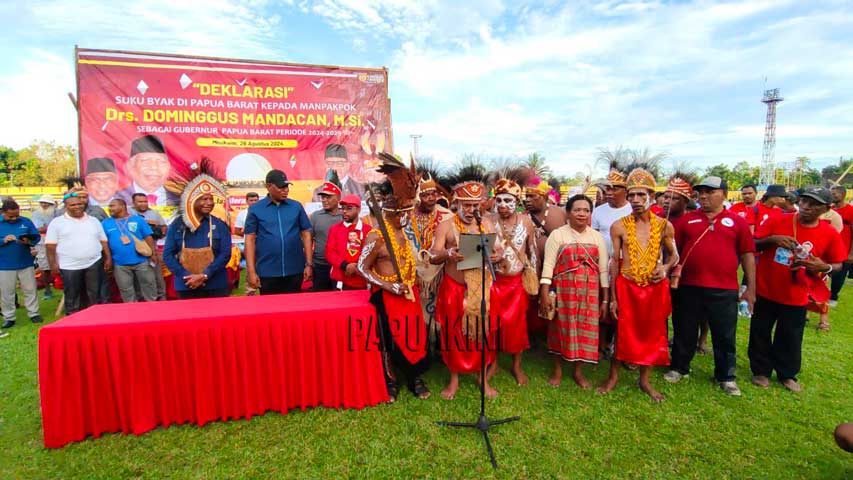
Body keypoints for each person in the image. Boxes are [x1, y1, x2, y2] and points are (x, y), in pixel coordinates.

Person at [663, 176, 756, 397]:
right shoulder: (686, 221)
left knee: (724, 333)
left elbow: (747, 255)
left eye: (710, 192)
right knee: (684, 328)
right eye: (700, 192)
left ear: (724, 193)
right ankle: (679, 368)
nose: (703, 196)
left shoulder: (737, 222)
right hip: (689, 286)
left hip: (724, 288)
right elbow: (674, 253)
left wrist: (750, 288)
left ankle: (726, 376)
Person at [749, 187, 846, 392]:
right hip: (767, 288)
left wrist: (824, 267)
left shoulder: (829, 232)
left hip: (797, 293)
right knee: (760, 331)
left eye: (813, 204)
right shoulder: (779, 220)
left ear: (827, 209)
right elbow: (753, 243)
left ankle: (787, 374)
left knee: (791, 335)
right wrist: (772, 240)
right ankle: (760, 370)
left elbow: (838, 264)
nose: (806, 207)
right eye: (803, 201)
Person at [597, 168, 677, 402]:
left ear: (652, 196)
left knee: (652, 334)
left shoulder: (664, 225)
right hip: (627, 286)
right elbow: (614, 262)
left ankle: (644, 380)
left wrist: (664, 268)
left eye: (641, 195)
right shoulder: (619, 226)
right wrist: (611, 297)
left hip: (654, 288)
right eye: (632, 195)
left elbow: (674, 256)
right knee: (622, 332)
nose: (635, 200)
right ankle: (612, 377)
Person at [357, 154, 430, 401]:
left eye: (409, 213)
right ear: (389, 213)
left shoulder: (404, 234)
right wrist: (387, 285)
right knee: (389, 340)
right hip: (387, 297)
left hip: (409, 293)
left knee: (414, 335)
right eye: (403, 214)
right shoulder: (376, 237)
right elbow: (361, 267)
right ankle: (390, 380)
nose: (407, 218)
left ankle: (414, 376)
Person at [431, 180, 503, 400]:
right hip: (455, 288)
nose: (472, 210)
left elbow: (500, 251)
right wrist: (449, 254)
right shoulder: (446, 225)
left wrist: (496, 256)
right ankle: (454, 379)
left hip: (482, 288)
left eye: (476, 205)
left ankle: (483, 378)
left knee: (484, 333)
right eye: (467, 205)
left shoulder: (487, 224)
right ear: (457, 203)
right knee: (454, 334)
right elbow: (433, 255)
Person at [539, 194, 609, 389]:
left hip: (590, 292)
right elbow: (549, 265)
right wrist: (544, 293)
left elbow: (603, 269)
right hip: (563, 290)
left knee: (586, 328)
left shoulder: (596, 237)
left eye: (586, 210)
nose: (582, 214)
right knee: (560, 328)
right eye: (577, 210)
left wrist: (605, 300)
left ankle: (578, 372)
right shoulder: (558, 234)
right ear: (568, 212)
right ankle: (558, 370)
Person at [486, 178, 537, 386]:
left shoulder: (526, 221)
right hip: (494, 281)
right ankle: (494, 363)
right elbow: (481, 250)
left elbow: (533, 252)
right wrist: (490, 258)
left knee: (516, 325)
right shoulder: (488, 221)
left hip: (516, 283)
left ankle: (516, 365)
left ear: (517, 201)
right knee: (492, 324)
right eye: (498, 200)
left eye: (508, 200)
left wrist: (534, 277)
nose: (503, 205)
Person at [162, 170, 232, 299]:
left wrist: (205, 275)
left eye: (211, 199)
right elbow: (167, 255)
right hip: (186, 285)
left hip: (215, 285)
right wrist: (186, 276)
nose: (210, 202)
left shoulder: (220, 225)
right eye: (204, 199)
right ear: (191, 200)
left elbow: (225, 254)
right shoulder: (177, 225)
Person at [245, 170, 313, 295]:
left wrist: (309, 264)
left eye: (287, 186)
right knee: (270, 311)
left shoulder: (296, 207)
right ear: (269, 186)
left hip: (295, 269)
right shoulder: (255, 209)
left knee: (294, 309)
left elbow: (306, 233)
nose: (285, 190)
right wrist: (251, 271)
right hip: (267, 271)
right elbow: (250, 239)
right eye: (281, 187)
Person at [45, 193, 111, 315]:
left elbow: (103, 241)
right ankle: (72, 318)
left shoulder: (93, 220)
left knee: (94, 293)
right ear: (66, 206)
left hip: (94, 262)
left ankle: (94, 317)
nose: (77, 206)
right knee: (72, 294)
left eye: (80, 204)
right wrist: (53, 265)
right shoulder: (57, 223)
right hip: (69, 265)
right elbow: (50, 246)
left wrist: (108, 258)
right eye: (73, 204)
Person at [408, 173, 452, 341]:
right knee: (416, 312)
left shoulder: (447, 215)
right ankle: (420, 344)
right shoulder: (406, 214)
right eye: (426, 195)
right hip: (413, 272)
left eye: (433, 194)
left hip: (439, 272)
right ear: (418, 196)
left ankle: (439, 344)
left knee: (438, 310)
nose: (431, 198)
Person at [102, 199, 157, 302]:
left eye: (113, 206)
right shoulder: (106, 223)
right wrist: (108, 258)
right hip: (119, 263)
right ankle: (132, 312)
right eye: (109, 206)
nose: (110, 208)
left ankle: (152, 308)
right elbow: (104, 242)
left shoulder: (138, 220)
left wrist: (152, 253)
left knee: (149, 286)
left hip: (142, 260)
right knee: (126, 290)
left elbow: (148, 237)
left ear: (122, 206)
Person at [0, 199, 42, 328]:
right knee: (7, 292)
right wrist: (3, 240)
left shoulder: (26, 221)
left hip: (25, 261)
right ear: (3, 213)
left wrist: (28, 240)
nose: (14, 218)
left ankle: (34, 313)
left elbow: (36, 236)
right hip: (4, 264)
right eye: (10, 216)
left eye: (17, 215)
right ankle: (9, 317)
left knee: (30, 289)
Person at [326, 195, 372, 290]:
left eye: (349, 208)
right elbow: (329, 253)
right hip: (339, 280)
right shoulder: (334, 229)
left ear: (359, 210)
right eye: (342, 208)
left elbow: (371, 253)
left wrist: (356, 266)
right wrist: (345, 266)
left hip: (361, 279)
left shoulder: (368, 230)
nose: (344, 211)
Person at [117, 135, 177, 206]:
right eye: (145, 161)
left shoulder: (180, 201)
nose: (154, 167)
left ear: (168, 167)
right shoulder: (117, 199)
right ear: (131, 166)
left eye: (161, 161)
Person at [130, 193, 167, 300]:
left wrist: (162, 232)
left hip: (152, 250)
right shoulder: (129, 212)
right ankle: (143, 300)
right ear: (133, 203)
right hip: (135, 252)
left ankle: (162, 298)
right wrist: (147, 223)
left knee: (157, 277)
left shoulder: (154, 213)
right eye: (140, 201)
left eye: (145, 201)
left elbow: (163, 226)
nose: (143, 204)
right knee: (140, 278)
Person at [310, 176, 343, 291]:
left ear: (338, 197)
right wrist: (308, 264)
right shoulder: (315, 216)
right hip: (320, 266)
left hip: (340, 266)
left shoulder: (346, 217)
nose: (324, 200)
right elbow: (308, 241)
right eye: (323, 197)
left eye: (328, 197)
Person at [829, 185, 853, 307]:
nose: (832, 196)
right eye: (831, 194)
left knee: (839, 274)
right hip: (829, 247)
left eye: (835, 194)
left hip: (844, 248)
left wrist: (851, 253)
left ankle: (833, 296)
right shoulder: (830, 210)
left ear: (843, 195)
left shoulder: (851, 211)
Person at [31, 194, 57, 299]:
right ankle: (47, 290)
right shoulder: (36, 213)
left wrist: (47, 228)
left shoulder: (57, 213)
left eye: (47, 202)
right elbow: (39, 229)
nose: (44, 204)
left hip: (57, 241)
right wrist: (51, 228)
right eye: (42, 202)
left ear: (52, 204)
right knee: (44, 267)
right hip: (42, 242)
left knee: (62, 265)